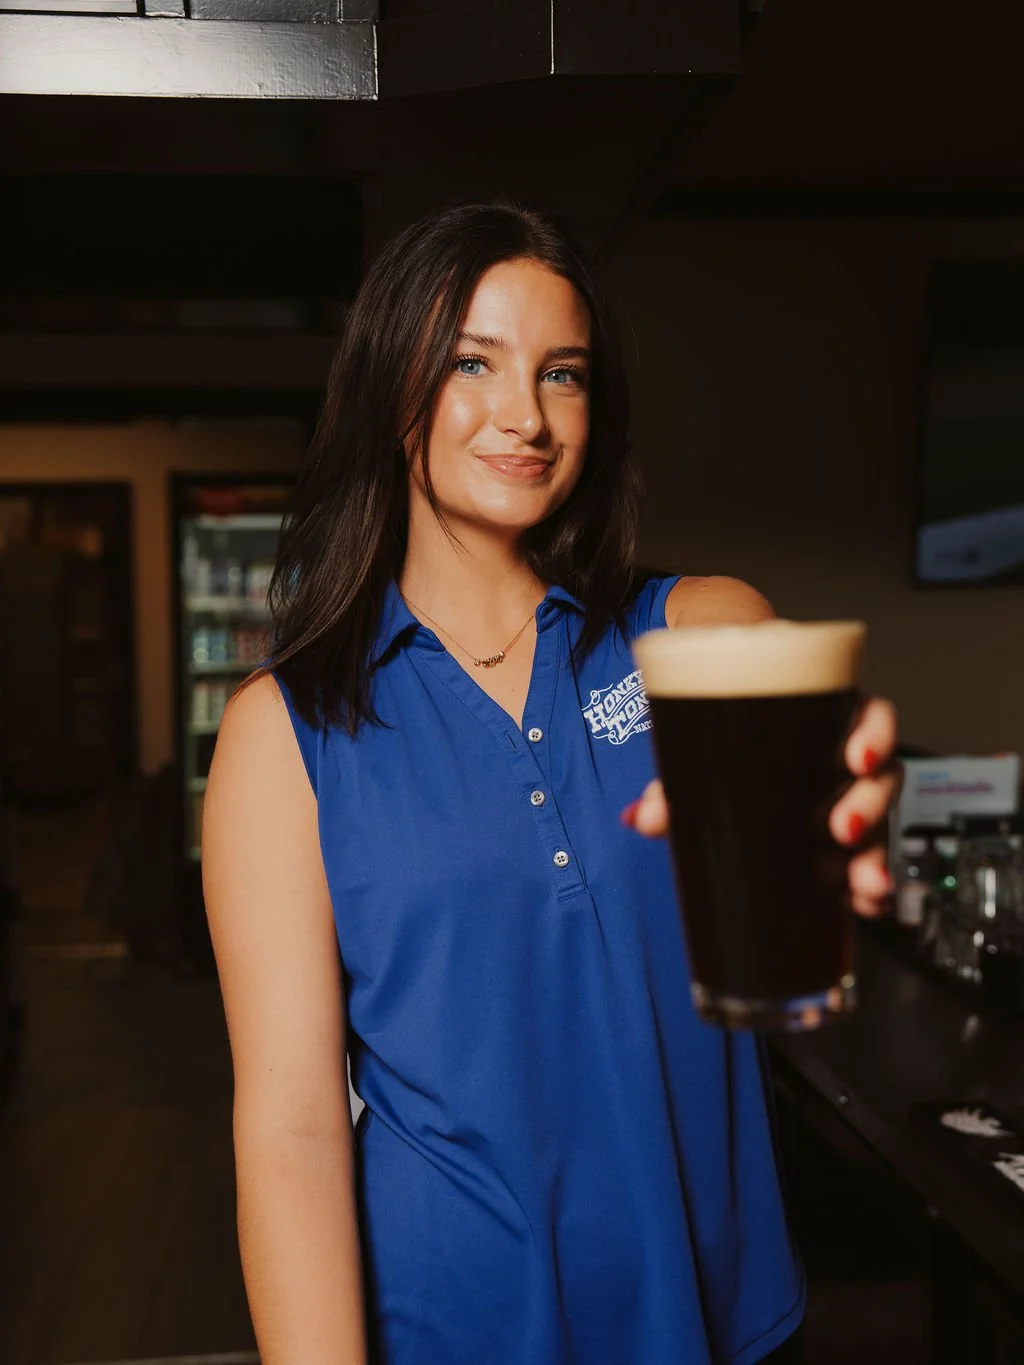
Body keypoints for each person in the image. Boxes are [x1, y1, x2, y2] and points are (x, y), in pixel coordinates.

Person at [202, 201, 899, 1365]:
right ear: (392, 388)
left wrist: (829, 818)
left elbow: (801, 855)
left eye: (562, 374)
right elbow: (290, 1126)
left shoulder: (697, 636)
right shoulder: (285, 733)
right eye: (473, 362)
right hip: (450, 1324)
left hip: (714, 1310)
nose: (524, 415)